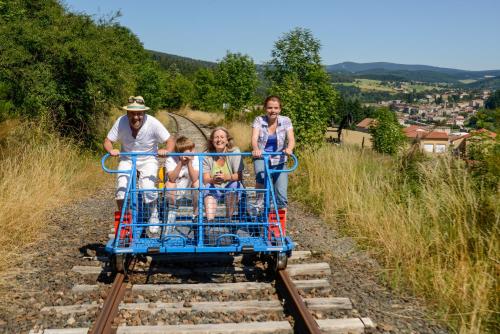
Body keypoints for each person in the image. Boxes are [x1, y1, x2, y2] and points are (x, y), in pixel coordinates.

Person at [103, 96, 175, 237]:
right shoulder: (121, 122)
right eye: (132, 113)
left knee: (147, 187)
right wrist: (111, 150)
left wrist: (166, 151)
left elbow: (170, 140)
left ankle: (153, 214)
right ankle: (125, 221)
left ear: (144, 113)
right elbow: (107, 141)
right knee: (121, 190)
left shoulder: (153, 123)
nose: (136, 117)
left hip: (148, 158)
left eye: (139, 113)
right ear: (127, 113)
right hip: (127, 158)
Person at [251, 95, 295, 213]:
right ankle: (259, 204)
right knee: (261, 177)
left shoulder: (286, 120)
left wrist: (289, 149)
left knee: (281, 191)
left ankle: (280, 224)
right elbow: (254, 138)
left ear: (280, 109)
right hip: (262, 156)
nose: (273, 111)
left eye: (276, 108)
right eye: (270, 108)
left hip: (279, 158)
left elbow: (291, 139)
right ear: (265, 108)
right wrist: (256, 149)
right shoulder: (259, 120)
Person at [202, 127, 244, 222]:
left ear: (227, 140)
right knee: (208, 186)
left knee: (234, 185)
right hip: (214, 187)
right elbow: (205, 179)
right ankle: (210, 221)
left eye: (222, 137)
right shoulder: (206, 155)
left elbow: (239, 176)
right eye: (216, 137)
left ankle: (228, 219)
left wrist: (226, 177)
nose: (219, 140)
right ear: (212, 140)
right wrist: (214, 179)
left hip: (229, 185)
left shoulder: (234, 152)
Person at [164, 136, 200, 234]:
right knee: (170, 184)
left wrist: (189, 163)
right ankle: (172, 212)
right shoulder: (171, 158)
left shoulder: (196, 158)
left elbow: (195, 178)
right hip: (176, 189)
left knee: (197, 183)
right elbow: (172, 178)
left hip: (190, 189)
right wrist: (180, 162)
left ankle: (196, 215)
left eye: (192, 150)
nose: (191, 153)